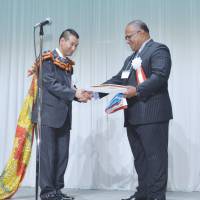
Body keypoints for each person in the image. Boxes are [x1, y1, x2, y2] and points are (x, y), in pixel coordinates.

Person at [101, 20, 173, 200]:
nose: (127, 40)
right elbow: (118, 80)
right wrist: (94, 92)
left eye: (129, 36)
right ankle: (143, 194)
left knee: (155, 158)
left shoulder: (158, 50)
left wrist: (137, 90)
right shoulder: (130, 59)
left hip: (152, 115)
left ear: (141, 33)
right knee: (140, 159)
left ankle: (156, 196)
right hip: (133, 116)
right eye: (125, 37)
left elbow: (160, 76)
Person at [31, 29, 91, 200]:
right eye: (71, 44)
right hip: (47, 114)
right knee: (48, 155)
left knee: (62, 155)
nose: (73, 48)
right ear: (61, 41)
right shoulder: (47, 59)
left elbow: (69, 88)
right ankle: (47, 192)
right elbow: (50, 83)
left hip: (64, 115)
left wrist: (80, 95)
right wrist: (74, 94)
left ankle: (57, 189)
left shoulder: (68, 65)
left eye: (76, 46)